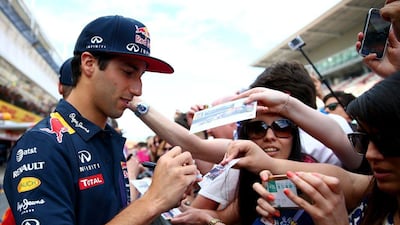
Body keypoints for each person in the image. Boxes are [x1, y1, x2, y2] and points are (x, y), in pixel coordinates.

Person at [3, 15, 199, 225]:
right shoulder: (43, 145)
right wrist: (154, 199)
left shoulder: (106, 140)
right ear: (89, 63)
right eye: (128, 72)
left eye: (141, 76)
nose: (137, 89)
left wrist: (166, 191)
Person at [223, 72, 400, 224]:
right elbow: (346, 181)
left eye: (386, 142)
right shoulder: (375, 190)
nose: (370, 155)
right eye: (365, 141)